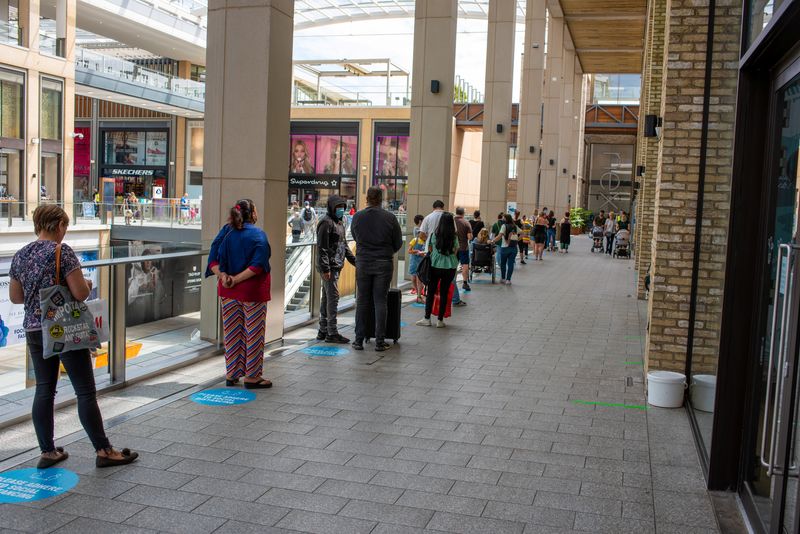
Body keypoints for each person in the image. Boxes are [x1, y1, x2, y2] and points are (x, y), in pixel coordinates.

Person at [9, 205, 139, 469]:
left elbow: (16, 297)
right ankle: (103, 450)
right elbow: (79, 293)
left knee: (44, 389)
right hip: (64, 328)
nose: (64, 233)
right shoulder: (62, 252)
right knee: (85, 391)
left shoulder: (20, 255)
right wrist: (88, 285)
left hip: (35, 329)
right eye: (65, 227)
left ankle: (48, 452)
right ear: (57, 224)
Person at [207, 199, 273, 389]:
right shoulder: (258, 235)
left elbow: (212, 259)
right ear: (252, 213)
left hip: (227, 292)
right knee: (253, 333)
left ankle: (232, 373)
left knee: (232, 333)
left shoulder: (225, 231)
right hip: (252, 292)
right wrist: (236, 279)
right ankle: (252, 377)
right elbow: (258, 265)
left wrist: (224, 276)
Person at [351, 187, 403, 352]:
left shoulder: (358, 216)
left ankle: (358, 340)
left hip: (363, 262)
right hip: (383, 262)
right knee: (381, 301)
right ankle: (380, 341)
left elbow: (355, 236)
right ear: (381, 199)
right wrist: (387, 252)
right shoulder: (390, 217)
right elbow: (398, 242)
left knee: (362, 301)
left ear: (367, 198)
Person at [315, 196, 356, 344]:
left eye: (342, 207)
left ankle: (323, 330)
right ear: (331, 207)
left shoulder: (339, 223)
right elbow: (322, 248)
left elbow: (344, 246)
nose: (341, 210)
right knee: (333, 297)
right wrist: (325, 268)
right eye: (338, 207)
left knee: (327, 298)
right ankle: (332, 332)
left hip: (336, 265)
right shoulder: (326, 223)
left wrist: (356, 262)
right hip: (329, 268)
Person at [416, 212, 459, 328]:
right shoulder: (454, 236)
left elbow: (429, 249)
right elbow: (455, 251)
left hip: (435, 265)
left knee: (431, 292)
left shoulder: (434, 235)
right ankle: (440, 320)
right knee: (444, 292)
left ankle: (427, 318)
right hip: (450, 267)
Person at [493, 214, 519, 284]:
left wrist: (493, 241)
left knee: (503, 263)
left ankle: (503, 278)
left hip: (505, 248)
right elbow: (522, 233)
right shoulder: (515, 226)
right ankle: (508, 280)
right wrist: (517, 240)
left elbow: (499, 236)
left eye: (504, 218)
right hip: (514, 248)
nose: (502, 219)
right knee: (511, 263)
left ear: (506, 219)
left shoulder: (504, 226)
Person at [454, 207, 473, 291]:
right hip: (463, 248)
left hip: (453, 248)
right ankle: (465, 283)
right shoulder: (466, 222)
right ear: (463, 213)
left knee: (453, 265)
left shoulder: (451, 221)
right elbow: (469, 237)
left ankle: (452, 281)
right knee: (465, 265)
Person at [408, 231, 426, 303]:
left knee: (419, 279)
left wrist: (423, 254)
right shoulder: (415, 240)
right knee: (413, 278)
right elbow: (409, 251)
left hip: (421, 262)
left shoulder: (426, 242)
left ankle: (419, 295)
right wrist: (417, 251)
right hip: (414, 262)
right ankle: (418, 291)